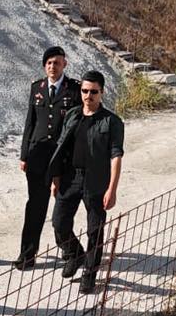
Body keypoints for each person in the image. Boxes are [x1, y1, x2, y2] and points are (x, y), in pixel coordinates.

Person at [49, 70, 124, 295]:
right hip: (70, 178)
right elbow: (61, 149)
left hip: (96, 181)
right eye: (84, 91)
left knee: (95, 230)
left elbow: (116, 156)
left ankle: (89, 275)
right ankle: (75, 254)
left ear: (101, 93)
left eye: (93, 92)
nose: (88, 96)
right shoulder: (72, 115)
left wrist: (112, 189)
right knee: (59, 223)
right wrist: (56, 178)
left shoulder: (112, 122)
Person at [16, 46, 81, 269]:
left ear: (65, 64)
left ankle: (65, 247)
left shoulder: (75, 90)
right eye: (49, 63)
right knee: (35, 206)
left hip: (62, 158)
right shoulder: (37, 88)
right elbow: (30, 123)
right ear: (45, 66)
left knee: (62, 206)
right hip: (37, 157)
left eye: (57, 62)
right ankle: (27, 254)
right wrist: (24, 154)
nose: (53, 66)